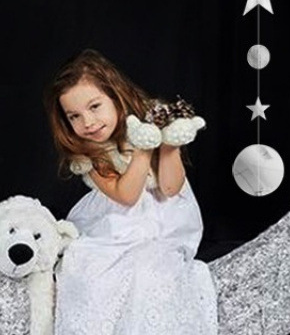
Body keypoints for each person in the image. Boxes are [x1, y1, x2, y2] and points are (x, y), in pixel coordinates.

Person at [43, 48, 218, 335]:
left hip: (166, 216)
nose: (87, 122)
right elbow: (127, 196)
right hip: (117, 220)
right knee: (89, 269)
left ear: (115, 97)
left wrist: (169, 145)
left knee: (152, 270)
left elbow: (171, 188)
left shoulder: (151, 121)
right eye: (74, 116)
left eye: (94, 107)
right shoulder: (90, 155)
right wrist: (142, 149)